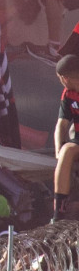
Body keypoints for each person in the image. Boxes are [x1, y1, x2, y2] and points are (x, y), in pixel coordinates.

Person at [56, 52, 79, 220]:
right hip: (77, 139)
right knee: (66, 151)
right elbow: (61, 125)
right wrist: (59, 151)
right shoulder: (68, 94)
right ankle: (58, 214)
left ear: (65, 78)